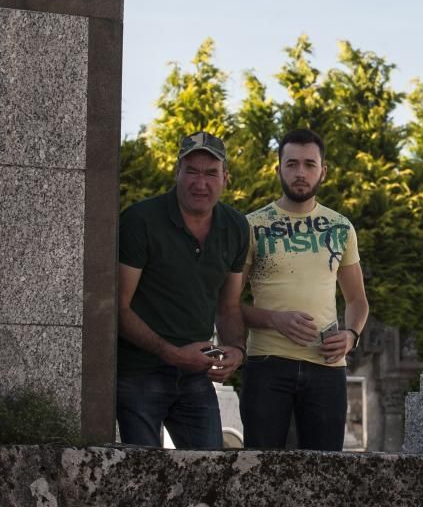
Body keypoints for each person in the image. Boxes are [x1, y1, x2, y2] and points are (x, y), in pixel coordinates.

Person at [117, 131, 250, 447]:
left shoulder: (236, 227)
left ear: (225, 178)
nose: (199, 183)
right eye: (191, 171)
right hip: (138, 372)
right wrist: (173, 354)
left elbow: (228, 306)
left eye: (210, 173)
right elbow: (118, 308)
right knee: (140, 479)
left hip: (194, 376)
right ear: (176, 172)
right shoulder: (140, 220)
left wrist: (237, 350)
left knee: (210, 476)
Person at [240, 128, 369, 451]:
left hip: (326, 368)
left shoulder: (340, 227)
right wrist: (273, 319)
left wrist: (351, 335)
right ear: (278, 169)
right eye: (292, 164)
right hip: (267, 363)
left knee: (325, 474)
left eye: (309, 164)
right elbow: (227, 304)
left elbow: (357, 300)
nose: (301, 173)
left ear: (322, 171)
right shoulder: (252, 226)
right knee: (261, 471)